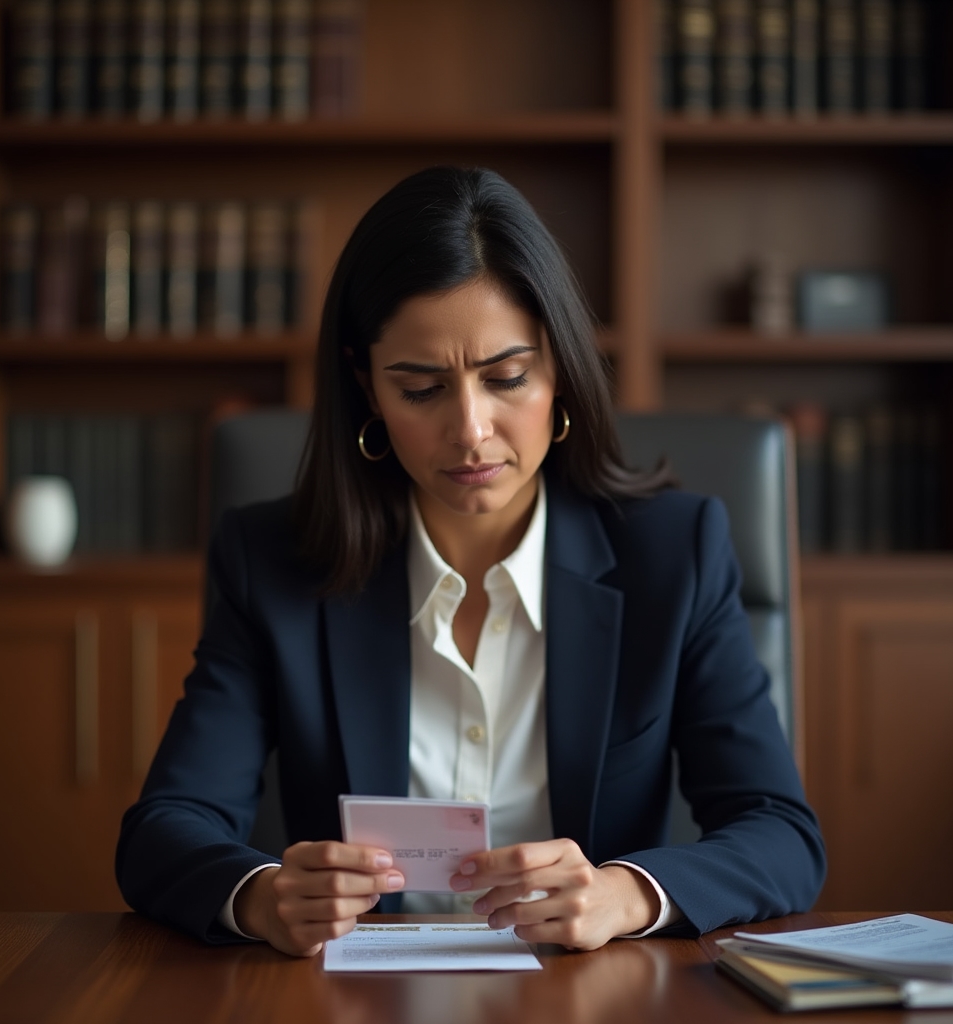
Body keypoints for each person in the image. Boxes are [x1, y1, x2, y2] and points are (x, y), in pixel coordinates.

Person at [116, 166, 825, 956]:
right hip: (354, 1000)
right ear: (368, 388)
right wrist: (258, 897)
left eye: (507, 378)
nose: (472, 431)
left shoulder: (673, 553)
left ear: (559, 372)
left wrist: (625, 894)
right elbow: (162, 832)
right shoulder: (274, 564)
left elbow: (781, 834)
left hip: (588, 997)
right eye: (421, 388)